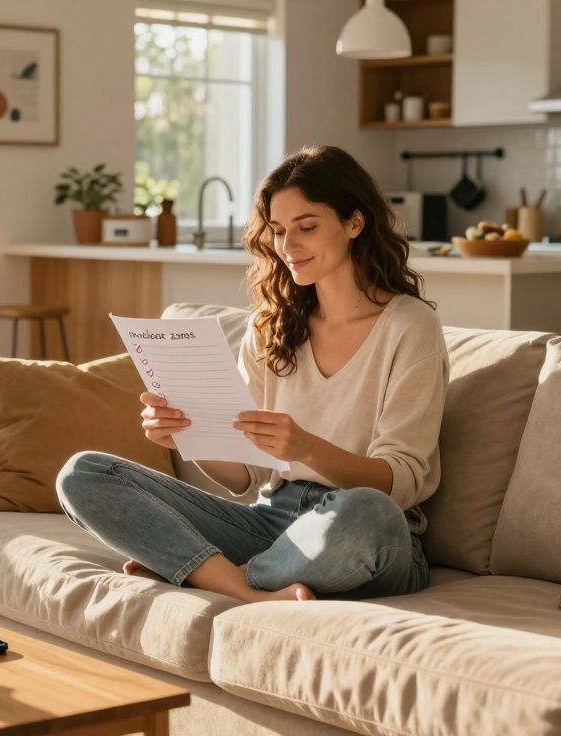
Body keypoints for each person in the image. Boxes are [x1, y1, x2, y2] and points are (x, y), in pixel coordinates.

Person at [55, 145, 448, 603]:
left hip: (364, 529)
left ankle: (201, 570)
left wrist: (306, 448)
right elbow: (243, 476)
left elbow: (398, 482)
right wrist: (186, 434)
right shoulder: (272, 326)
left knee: (367, 511)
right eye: (279, 231)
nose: (288, 247)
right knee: (83, 472)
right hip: (270, 523)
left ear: (354, 223)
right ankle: (246, 585)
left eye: (306, 227)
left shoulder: (409, 326)